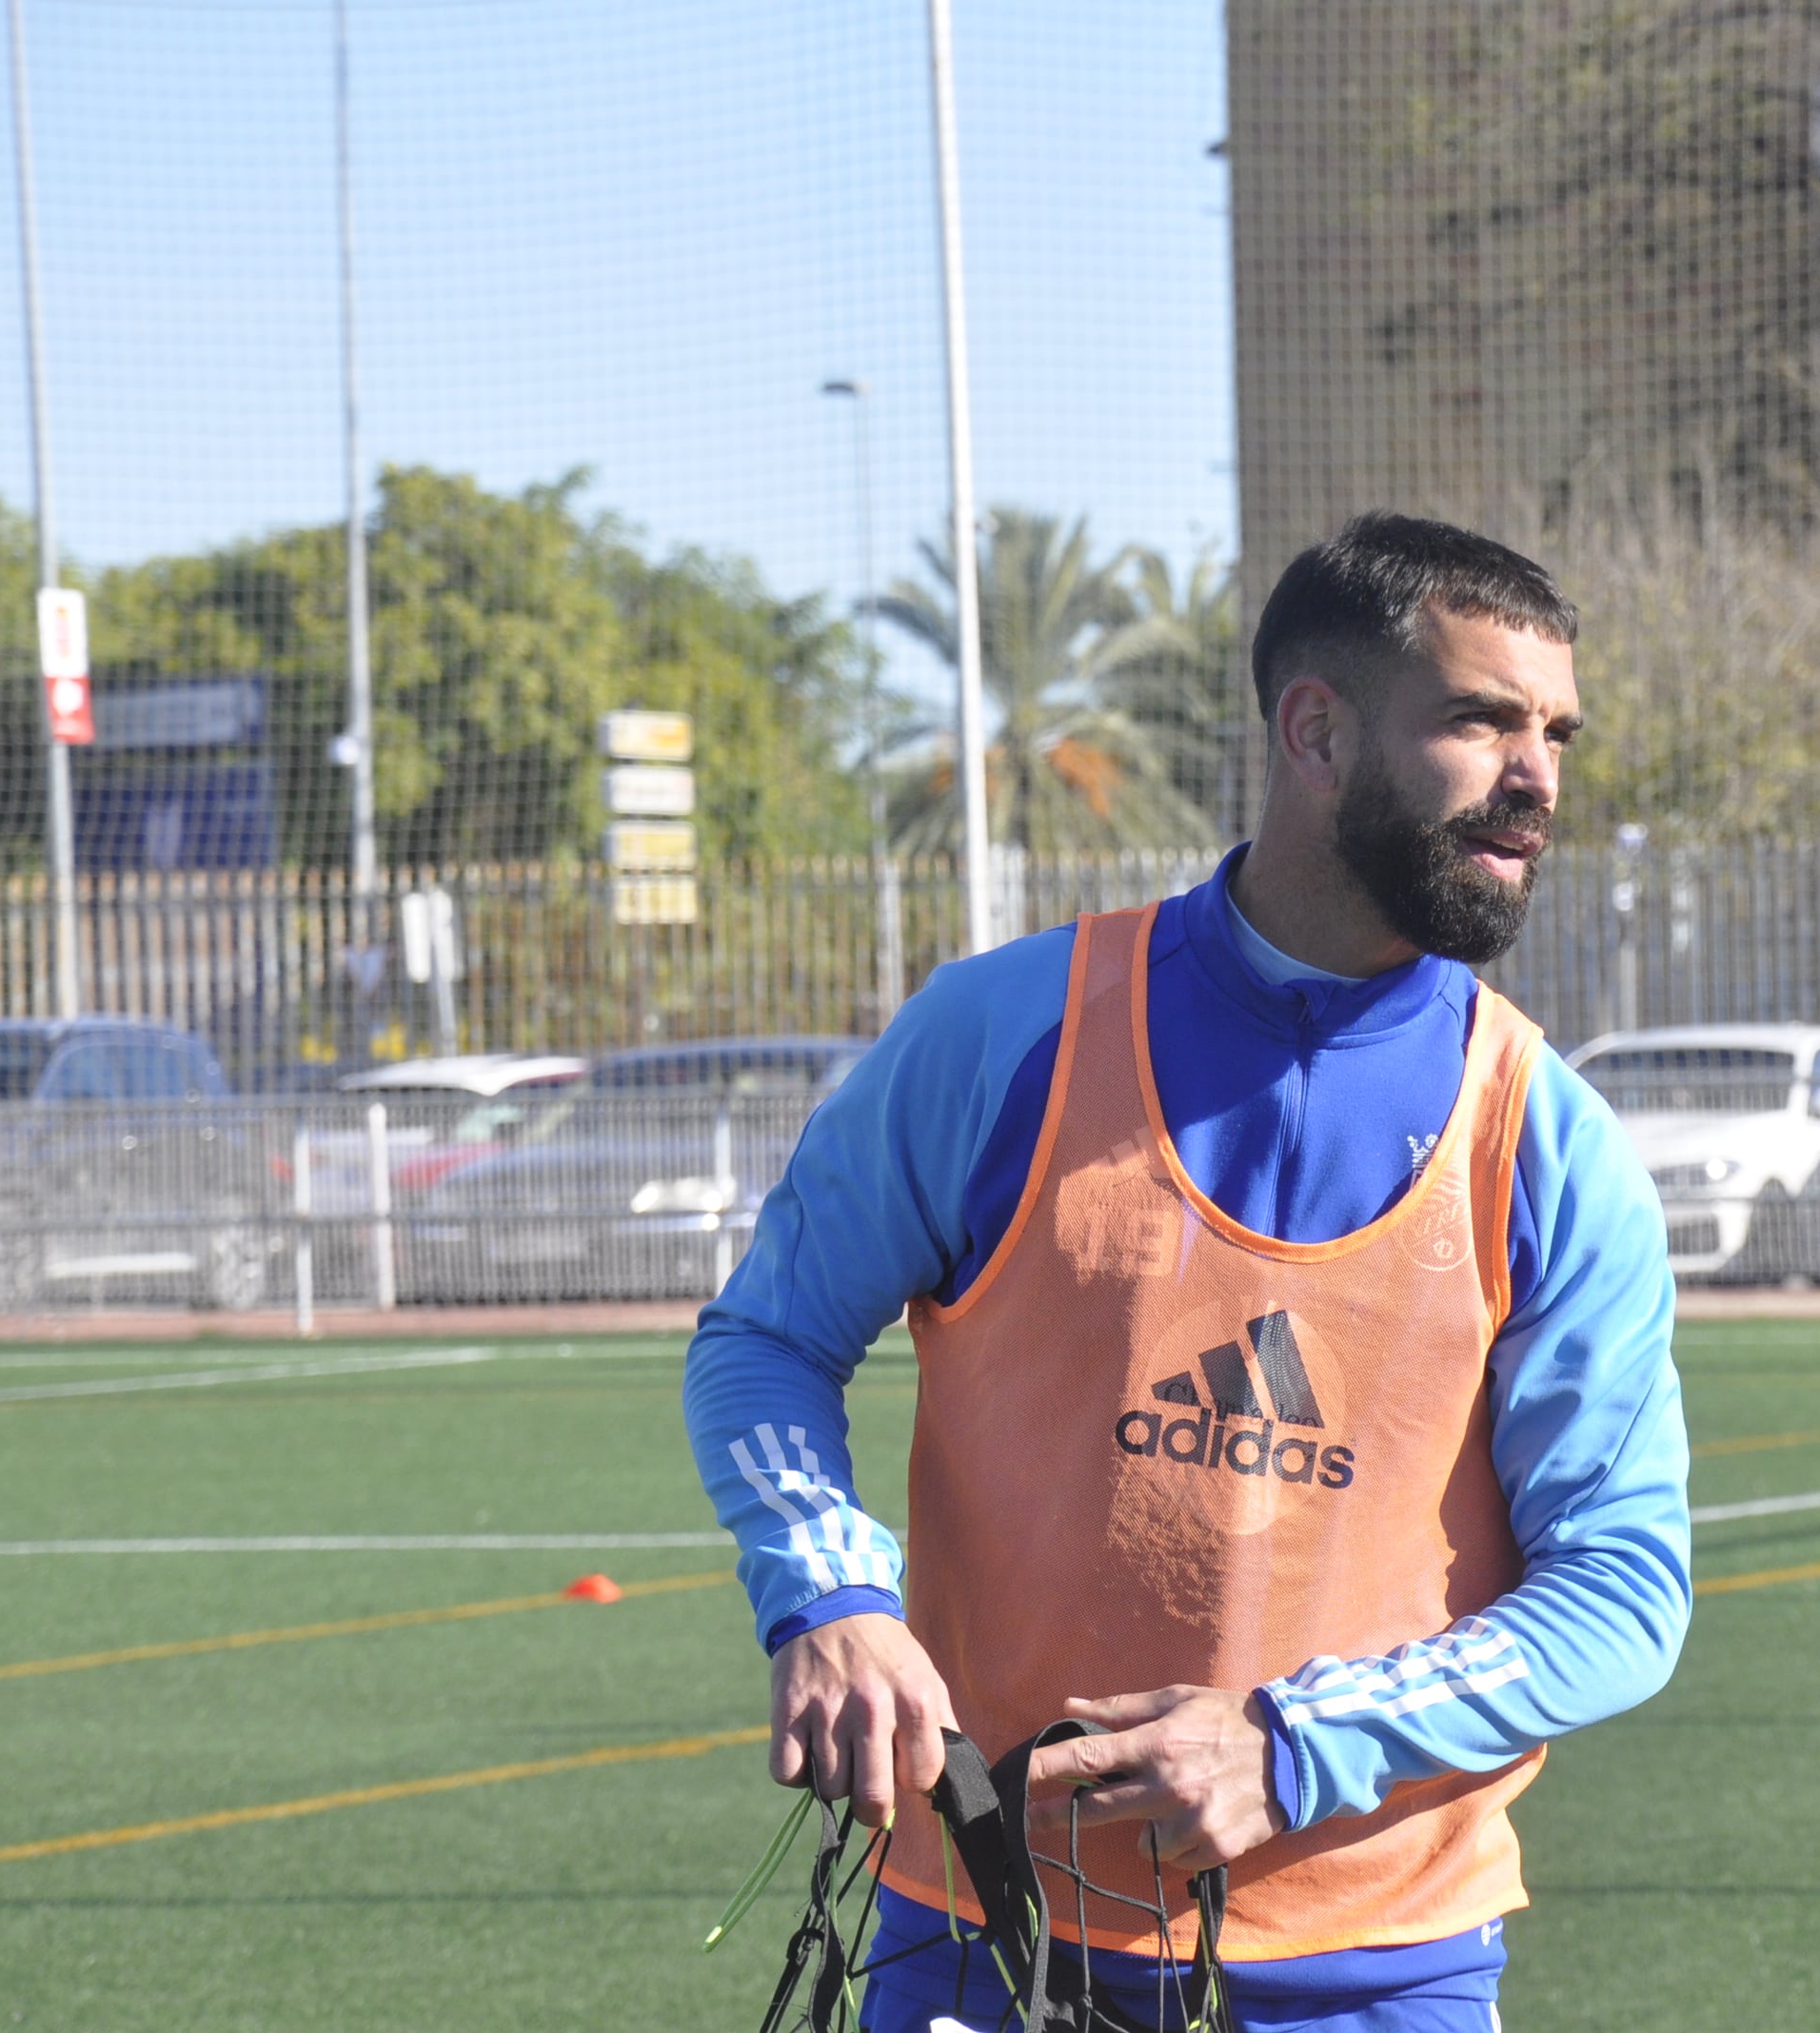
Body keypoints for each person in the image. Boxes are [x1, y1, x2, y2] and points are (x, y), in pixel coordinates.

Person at [683, 511, 1690, 2032]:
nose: (1537, 776)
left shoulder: (1545, 1138)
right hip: (975, 1935)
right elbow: (765, 1341)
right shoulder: (1004, 1034)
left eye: (1554, 730)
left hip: (1375, 1969)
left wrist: (1289, 1744)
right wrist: (826, 1590)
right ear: (1317, 731)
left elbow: (1624, 1588)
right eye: (1481, 720)